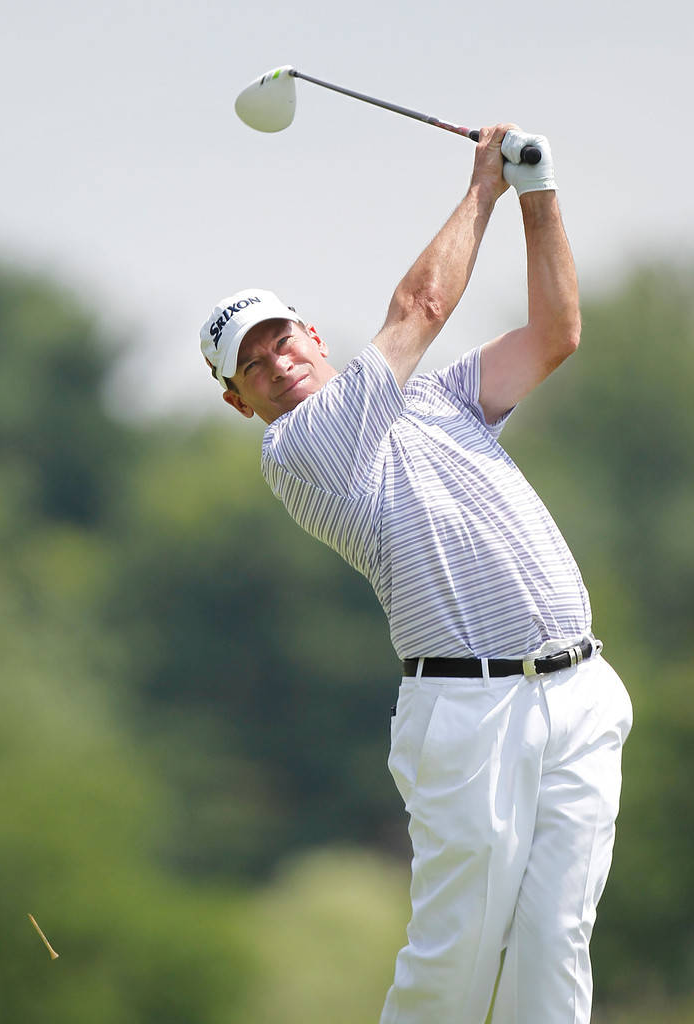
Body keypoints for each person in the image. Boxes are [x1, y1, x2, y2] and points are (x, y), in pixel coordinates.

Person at [199, 125, 632, 1024]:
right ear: (239, 401)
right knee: (455, 964)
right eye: (253, 364)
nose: (278, 362)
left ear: (312, 335)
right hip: (468, 717)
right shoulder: (302, 449)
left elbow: (555, 335)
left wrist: (541, 196)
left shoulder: (436, 401)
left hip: (580, 692)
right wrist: (485, 183)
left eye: (281, 339)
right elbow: (420, 308)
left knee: (555, 951)